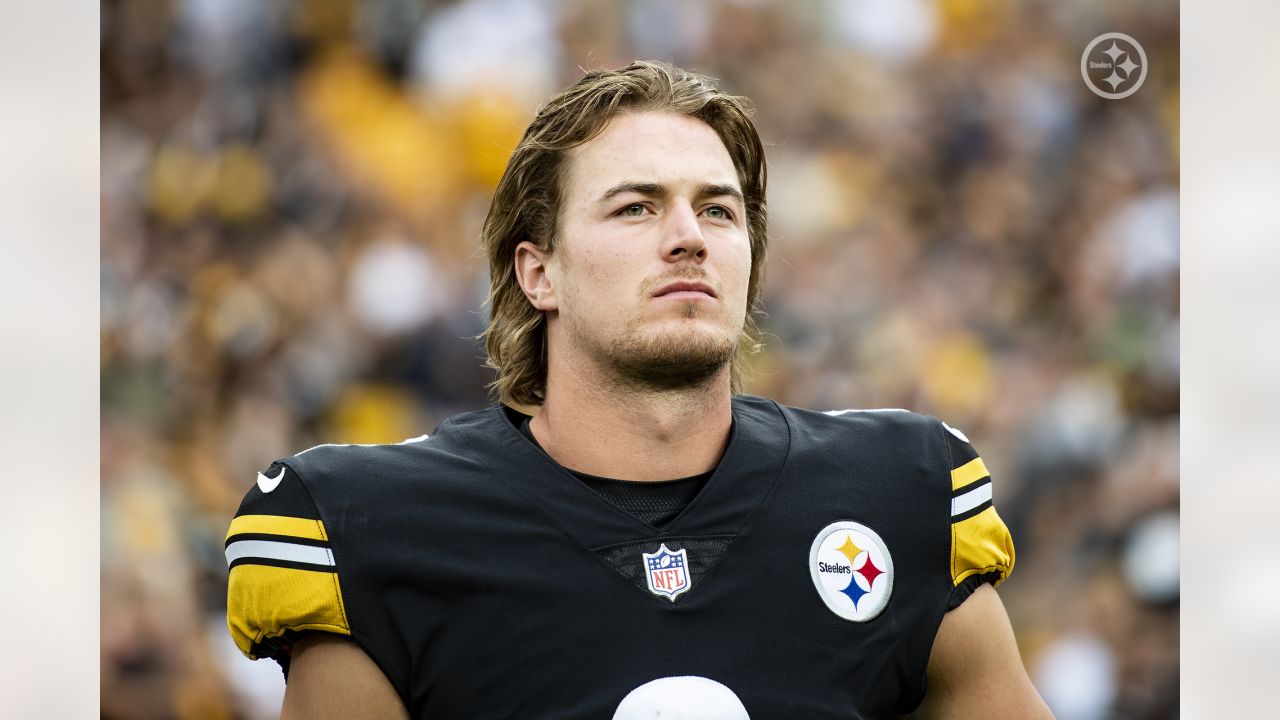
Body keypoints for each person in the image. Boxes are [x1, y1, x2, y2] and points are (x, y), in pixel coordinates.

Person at [224, 61, 1053, 719]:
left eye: (719, 212)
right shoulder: (379, 529)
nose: (689, 238)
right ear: (538, 271)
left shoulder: (897, 493)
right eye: (635, 209)